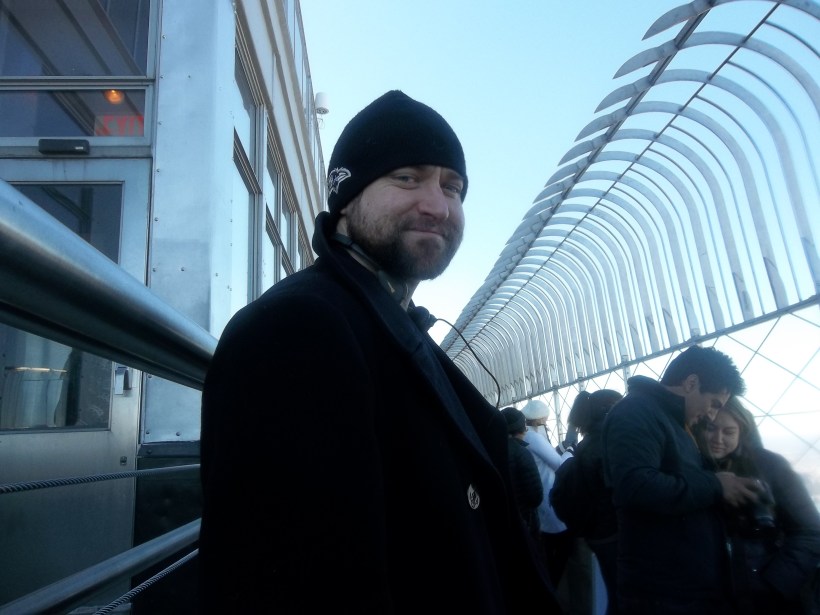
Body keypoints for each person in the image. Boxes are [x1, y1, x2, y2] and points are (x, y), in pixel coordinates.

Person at [199, 90, 559, 613]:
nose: (438, 205)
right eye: (407, 178)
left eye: (452, 187)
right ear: (346, 198)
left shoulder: (387, 323)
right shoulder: (298, 328)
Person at [601, 344, 760, 614]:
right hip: (662, 593)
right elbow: (635, 486)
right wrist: (716, 484)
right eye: (714, 404)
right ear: (691, 383)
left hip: (681, 586)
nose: (712, 414)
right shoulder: (636, 412)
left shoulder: (672, 419)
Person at [695, 397, 820, 614]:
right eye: (711, 428)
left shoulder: (770, 466)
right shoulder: (690, 470)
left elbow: (811, 531)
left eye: (729, 432)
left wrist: (776, 583)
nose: (718, 439)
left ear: (742, 432)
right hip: (712, 599)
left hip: (769, 599)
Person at [563, 389, 624, 614]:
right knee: (621, 594)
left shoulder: (588, 443)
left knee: (614, 592)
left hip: (596, 531)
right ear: (609, 410)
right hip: (610, 531)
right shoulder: (605, 444)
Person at [522, 399, 574, 590]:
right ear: (540, 418)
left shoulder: (526, 435)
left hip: (539, 498)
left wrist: (561, 449)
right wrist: (570, 450)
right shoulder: (534, 437)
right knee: (559, 547)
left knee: (548, 545)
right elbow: (559, 464)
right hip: (549, 494)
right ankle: (554, 587)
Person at [501, 406, 544, 539]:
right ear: (521, 428)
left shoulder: (492, 450)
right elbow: (536, 496)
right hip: (525, 521)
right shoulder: (521, 453)